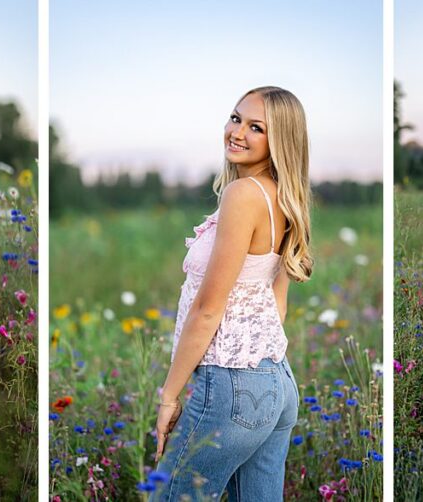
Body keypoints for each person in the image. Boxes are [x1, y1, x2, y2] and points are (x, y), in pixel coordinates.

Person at [150, 86, 313, 501]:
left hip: (233, 385)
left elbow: (208, 309)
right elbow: (277, 303)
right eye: (236, 118)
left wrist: (169, 396)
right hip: (276, 381)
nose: (237, 132)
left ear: (279, 141)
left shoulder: (243, 195)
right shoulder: (284, 198)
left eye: (256, 127)